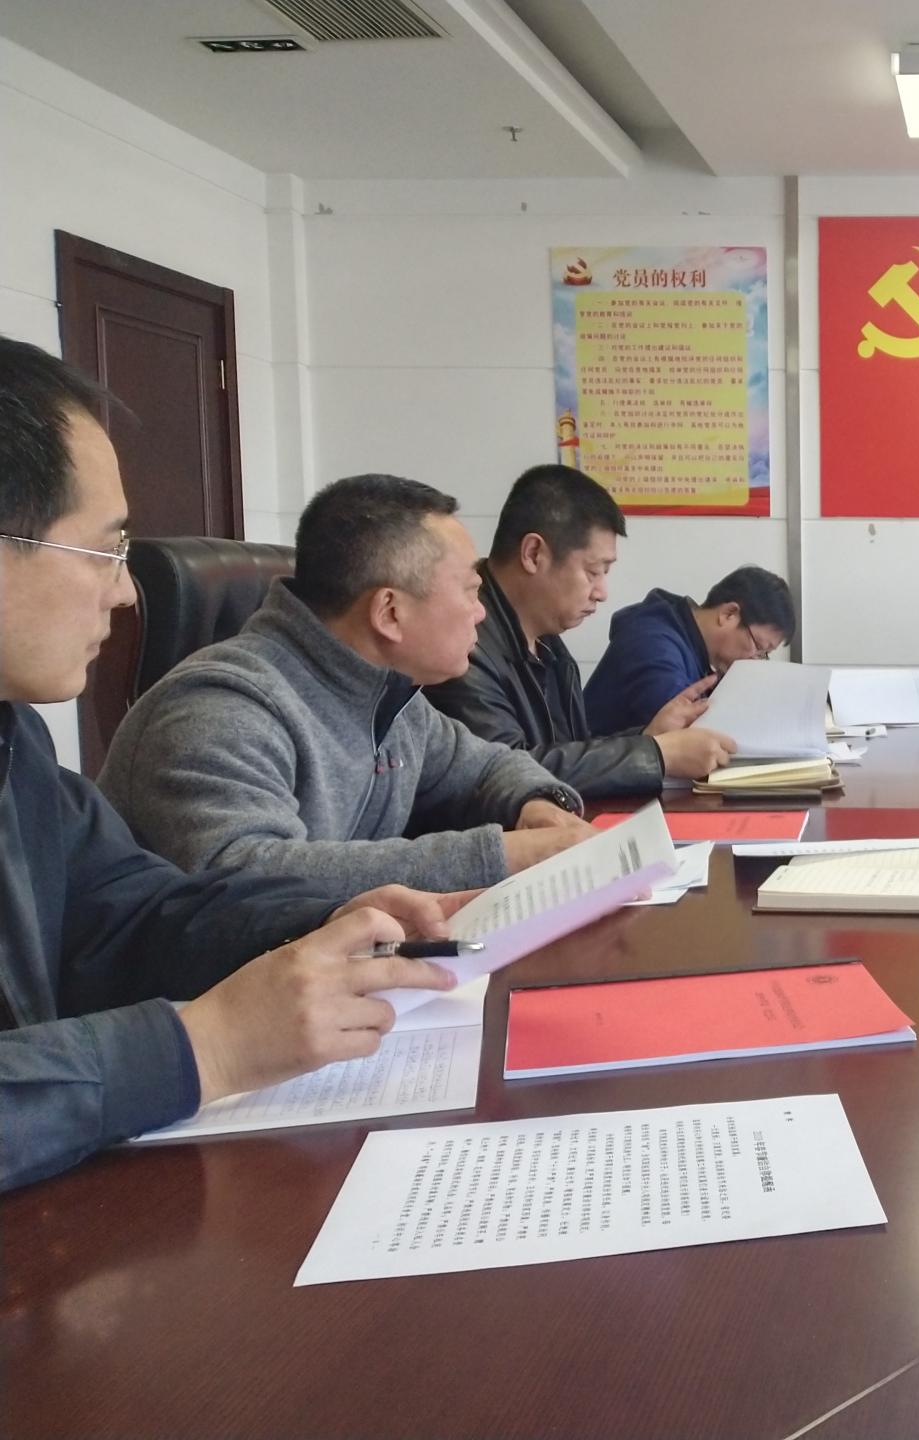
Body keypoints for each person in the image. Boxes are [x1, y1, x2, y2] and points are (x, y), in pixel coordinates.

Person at [0, 337, 465, 1190]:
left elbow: (129, 915)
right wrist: (204, 1048)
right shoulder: (221, 702)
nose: (125, 592)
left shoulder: (14, 743)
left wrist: (319, 923)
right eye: (105, 550)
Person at [99, 474, 598, 895]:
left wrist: (535, 804)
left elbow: (485, 766)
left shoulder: (390, 697)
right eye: (471, 591)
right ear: (390, 612)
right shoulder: (220, 711)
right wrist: (499, 856)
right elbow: (248, 879)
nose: (480, 612)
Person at [423, 464, 735, 797]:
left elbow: (568, 755)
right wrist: (656, 754)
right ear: (533, 554)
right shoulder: (462, 647)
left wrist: (649, 737)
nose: (602, 592)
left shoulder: (549, 645)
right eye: (593, 571)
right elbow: (502, 771)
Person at [584, 565, 794, 734]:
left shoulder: (691, 644)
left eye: (763, 655)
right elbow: (691, 733)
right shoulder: (654, 645)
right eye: (758, 647)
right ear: (729, 614)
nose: (754, 661)